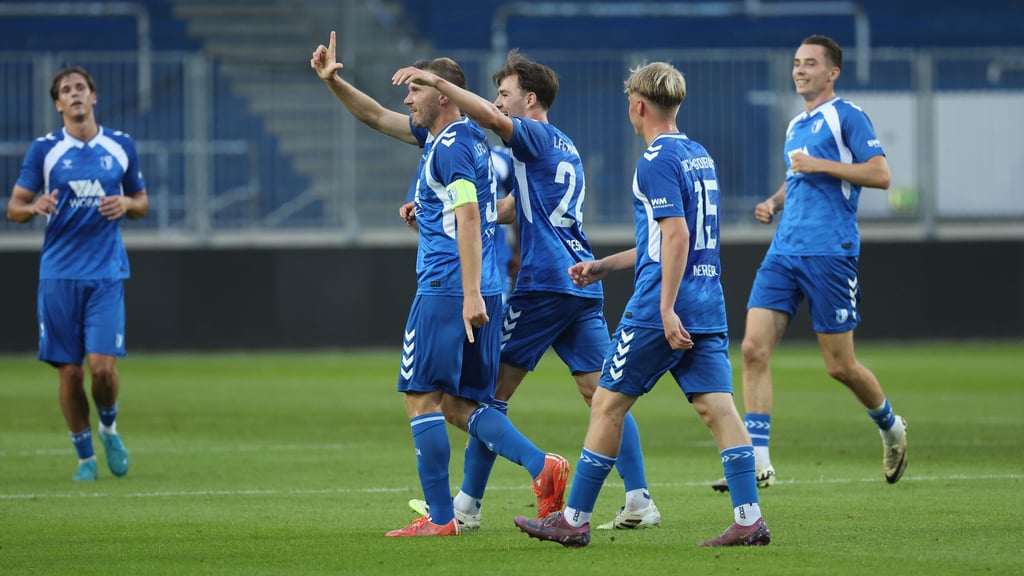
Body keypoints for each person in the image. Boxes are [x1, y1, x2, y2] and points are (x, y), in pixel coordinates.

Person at [310, 31, 569, 537]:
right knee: (461, 404)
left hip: (450, 287)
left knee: (421, 397)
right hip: (482, 286)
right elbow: (375, 116)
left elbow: (469, 215)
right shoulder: (461, 138)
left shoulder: (449, 147)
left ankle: (442, 518)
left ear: (442, 97)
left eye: (416, 89)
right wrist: (333, 81)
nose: (407, 100)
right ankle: (542, 466)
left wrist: (468, 293)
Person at [394, 50, 660, 531]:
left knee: (483, 399)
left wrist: (440, 84)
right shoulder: (563, 145)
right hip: (579, 281)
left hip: (544, 284)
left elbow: (491, 119)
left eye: (505, 93)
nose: (498, 102)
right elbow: (517, 207)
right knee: (604, 395)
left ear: (530, 99)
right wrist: (444, 208)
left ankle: (469, 506)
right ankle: (639, 499)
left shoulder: (532, 133)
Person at [514, 62, 770, 548]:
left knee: (607, 403)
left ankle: (573, 519)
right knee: (718, 407)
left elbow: (676, 236)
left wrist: (666, 308)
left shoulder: (655, 160)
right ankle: (749, 518)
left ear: (638, 106)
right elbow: (666, 239)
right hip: (707, 300)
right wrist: (606, 264)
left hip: (660, 306)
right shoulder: (699, 155)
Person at [711, 34, 907, 493]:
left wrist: (821, 165)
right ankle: (758, 461)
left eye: (810, 63)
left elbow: (880, 174)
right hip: (784, 250)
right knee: (752, 349)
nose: (799, 70)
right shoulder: (796, 124)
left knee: (840, 366)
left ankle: (890, 425)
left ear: (832, 72)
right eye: (797, 62)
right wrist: (774, 202)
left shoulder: (847, 116)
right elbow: (797, 175)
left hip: (830, 251)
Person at [7, 66, 149, 482]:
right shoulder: (45, 150)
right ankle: (85, 458)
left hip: (106, 273)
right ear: (58, 104)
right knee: (70, 372)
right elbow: (14, 208)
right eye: (66, 90)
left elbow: (142, 201)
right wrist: (33, 207)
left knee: (102, 369)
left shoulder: (120, 145)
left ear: (93, 96)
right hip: (59, 275)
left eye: (80, 87)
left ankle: (109, 428)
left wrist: (127, 204)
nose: (74, 94)